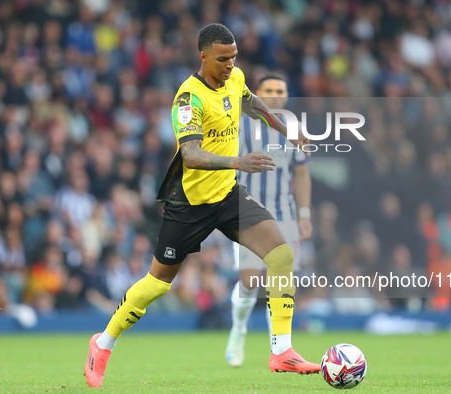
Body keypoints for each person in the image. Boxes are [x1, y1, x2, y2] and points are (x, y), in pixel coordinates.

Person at [84, 23, 319, 388]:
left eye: (234, 57)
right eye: (223, 59)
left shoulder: (235, 77)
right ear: (203, 56)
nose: (230, 64)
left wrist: (284, 128)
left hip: (227, 195)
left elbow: (251, 103)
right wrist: (239, 162)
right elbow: (190, 155)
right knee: (157, 284)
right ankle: (102, 344)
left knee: (281, 255)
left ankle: (282, 351)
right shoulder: (188, 98)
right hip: (189, 204)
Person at [225, 74, 313, 367]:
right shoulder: (238, 126)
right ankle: (238, 330)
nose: (275, 96)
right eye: (269, 91)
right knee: (250, 281)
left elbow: (301, 173)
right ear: (257, 94)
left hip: (284, 213)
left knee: (279, 279)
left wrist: (304, 213)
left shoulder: (294, 128)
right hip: (247, 210)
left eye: (281, 91)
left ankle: (279, 348)